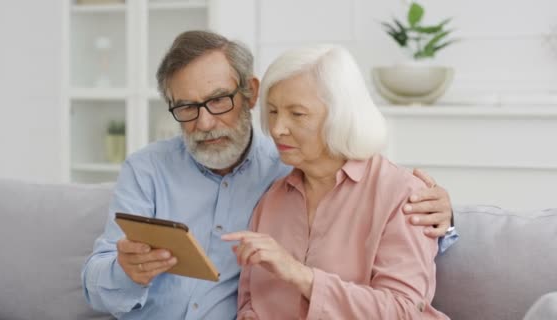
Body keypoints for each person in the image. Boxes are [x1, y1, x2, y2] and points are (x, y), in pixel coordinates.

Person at [81, 30, 456, 319]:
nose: (205, 122)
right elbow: (252, 303)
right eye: (186, 107)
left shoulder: (289, 167)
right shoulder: (150, 170)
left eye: (217, 100)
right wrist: (125, 271)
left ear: (249, 93)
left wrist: (446, 220)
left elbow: (406, 295)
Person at [222, 44, 448, 319]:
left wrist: (299, 274)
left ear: (340, 116)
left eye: (297, 114)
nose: (277, 129)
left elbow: (403, 311)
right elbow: (250, 303)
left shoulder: (403, 194)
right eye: (272, 112)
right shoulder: (272, 199)